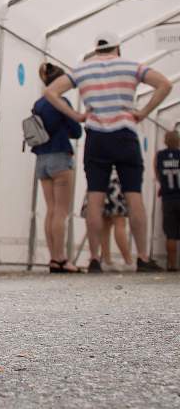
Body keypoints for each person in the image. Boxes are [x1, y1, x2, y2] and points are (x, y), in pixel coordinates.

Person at [44, 31, 172, 273]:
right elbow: (164, 84)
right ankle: (143, 258)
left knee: (95, 197)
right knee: (134, 195)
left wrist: (77, 115)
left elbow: (50, 92)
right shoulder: (131, 66)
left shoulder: (82, 69)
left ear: (96, 48)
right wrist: (143, 112)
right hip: (125, 133)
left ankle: (94, 258)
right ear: (117, 47)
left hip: (97, 136)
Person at [30, 62, 83, 273]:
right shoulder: (61, 101)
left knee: (51, 209)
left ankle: (53, 258)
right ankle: (61, 258)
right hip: (60, 155)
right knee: (61, 211)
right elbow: (76, 131)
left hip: (41, 158)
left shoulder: (38, 104)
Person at [156, 129, 180, 271]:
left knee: (170, 234)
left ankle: (171, 265)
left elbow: (158, 174)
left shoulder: (160, 156)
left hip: (168, 198)